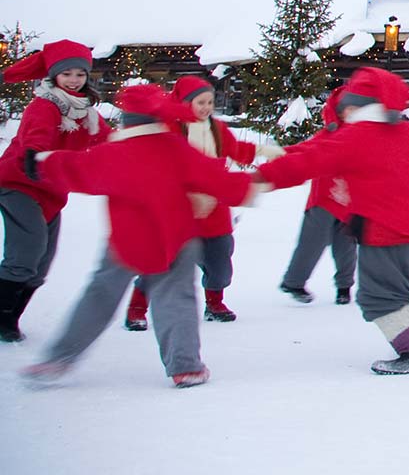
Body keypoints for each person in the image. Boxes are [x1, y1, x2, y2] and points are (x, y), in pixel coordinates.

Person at [19, 84, 254, 388]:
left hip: (127, 240)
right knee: (176, 299)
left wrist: (41, 163)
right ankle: (186, 367)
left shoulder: (112, 153)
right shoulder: (177, 149)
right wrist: (250, 185)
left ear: (127, 121)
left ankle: (58, 359)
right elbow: (215, 178)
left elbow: (76, 166)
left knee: (100, 295)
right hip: (177, 236)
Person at [253, 68, 409, 374]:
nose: (345, 112)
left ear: (361, 105)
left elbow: (308, 161)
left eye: (349, 106)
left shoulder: (354, 137)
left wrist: (260, 178)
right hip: (408, 231)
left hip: (379, 232)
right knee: (399, 288)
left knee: (377, 296)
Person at [124, 76, 284, 331]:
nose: (206, 107)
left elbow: (237, 149)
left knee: (220, 257)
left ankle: (215, 302)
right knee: (162, 260)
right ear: (183, 103)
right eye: (200, 102)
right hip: (177, 209)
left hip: (213, 207)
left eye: (210, 102)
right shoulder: (169, 129)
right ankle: (137, 307)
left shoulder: (216, 128)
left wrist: (266, 153)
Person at [0, 39, 110, 344]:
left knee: (42, 264)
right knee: (27, 252)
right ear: (53, 77)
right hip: (19, 182)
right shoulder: (45, 104)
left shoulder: (86, 112)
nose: (74, 79)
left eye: (80, 74)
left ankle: (11, 316)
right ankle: (2, 319)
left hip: (51, 190)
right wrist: (34, 154)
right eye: (67, 74)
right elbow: (35, 132)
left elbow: (106, 139)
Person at [277, 89, 358, 306]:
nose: (352, 112)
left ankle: (344, 287)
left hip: (351, 201)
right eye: (347, 108)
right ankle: (293, 281)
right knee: (312, 242)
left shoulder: (364, 135)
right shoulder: (329, 134)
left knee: (347, 247)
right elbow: (305, 151)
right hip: (323, 199)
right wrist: (281, 155)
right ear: (338, 110)